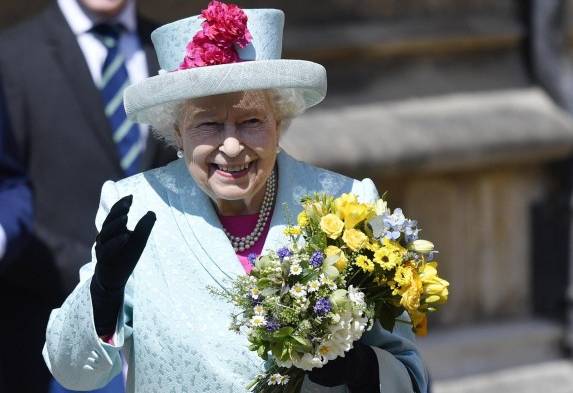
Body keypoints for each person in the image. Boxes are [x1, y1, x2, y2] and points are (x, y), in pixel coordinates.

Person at [43, 2, 430, 392]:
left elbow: (412, 379)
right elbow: (73, 374)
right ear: (177, 133)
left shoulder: (347, 204)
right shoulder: (136, 207)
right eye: (208, 124)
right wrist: (102, 296)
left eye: (251, 121)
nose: (231, 146)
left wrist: (363, 370)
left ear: (279, 124)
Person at [0, 0, 175, 391]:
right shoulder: (10, 55)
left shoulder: (167, 48)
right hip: (46, 324)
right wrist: (99, 274)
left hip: (163, 332)